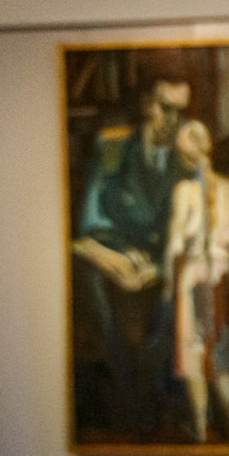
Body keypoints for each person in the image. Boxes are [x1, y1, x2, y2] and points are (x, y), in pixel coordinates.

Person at [72, 77, 189, 435]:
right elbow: (92, 222)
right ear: (146, 105)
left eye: (181, 112)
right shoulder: (114, 150)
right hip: (121, 256)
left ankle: (154, 396)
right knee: (89, 276)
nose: (174, 121)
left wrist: (162, 264)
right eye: (166, 108)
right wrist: (121, 253)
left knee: (183, 285)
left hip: (168, 261)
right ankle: (125, 391)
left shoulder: (188, 156)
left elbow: (198, 227)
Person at [162, 119, 229, 445]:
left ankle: (199, 429)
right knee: (221, 358)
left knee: (193, 357)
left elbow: (174, 244)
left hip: (193, 276)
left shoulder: (184, 191)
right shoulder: (228, 188)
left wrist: (168, 286)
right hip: (220, 276)